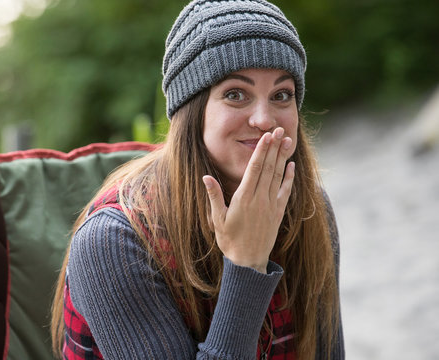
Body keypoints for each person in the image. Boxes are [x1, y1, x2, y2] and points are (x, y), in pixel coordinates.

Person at [51, 0, 344, 359]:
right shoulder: (113, 242)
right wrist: (247, 265)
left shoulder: (309, 208)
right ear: (192, 111)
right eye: (236, 94)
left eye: (281, 95)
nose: (266, 119)